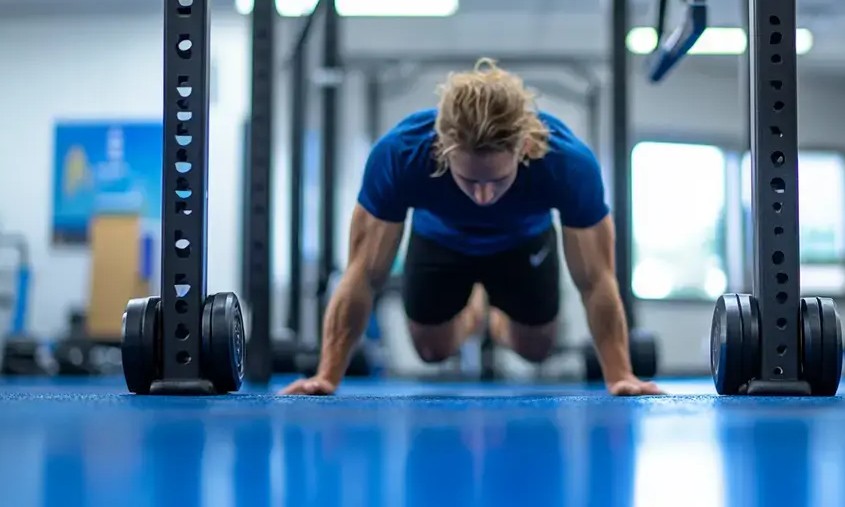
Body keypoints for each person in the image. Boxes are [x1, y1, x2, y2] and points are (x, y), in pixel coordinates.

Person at [280, 58, 663, 397]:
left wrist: (620, 375)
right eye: (469, 180)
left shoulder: (568, 164)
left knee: (536, 349)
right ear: (442, 148)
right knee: (431, 351)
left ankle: (495, 320)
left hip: (523, 243)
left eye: (497, 181)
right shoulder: (399, 155)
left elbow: (597, 279)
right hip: (440, 240)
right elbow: (362, 273)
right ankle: (475, 311)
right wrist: (326, 377)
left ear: (525, 147)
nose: (483, 196)